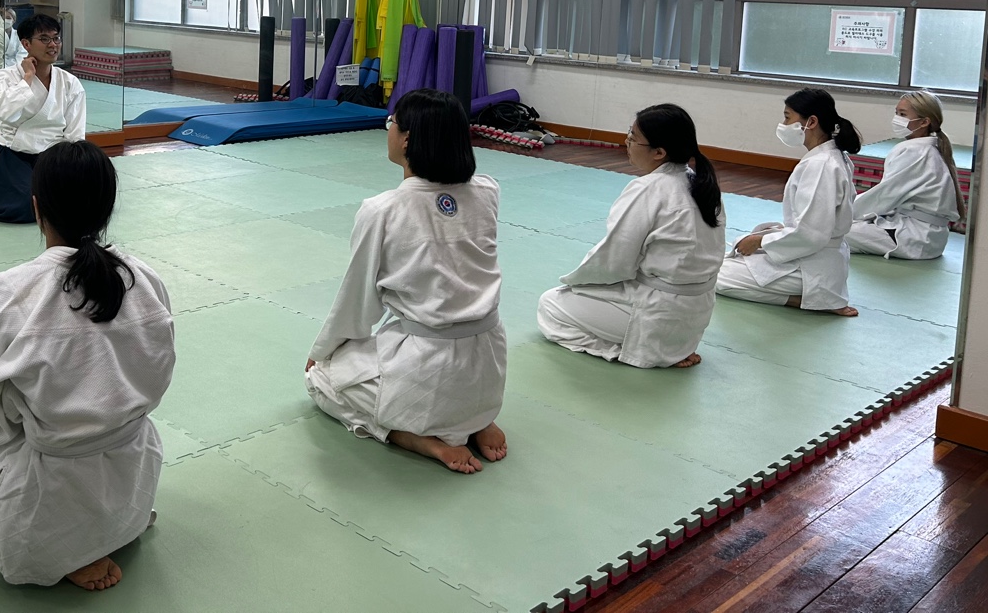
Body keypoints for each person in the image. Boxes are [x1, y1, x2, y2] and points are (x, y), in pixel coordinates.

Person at [0, 140, 174, 592]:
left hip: (53, 472)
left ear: (36, 208)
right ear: (107, 209)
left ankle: (73, 547)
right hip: (133, 458)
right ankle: (114, 526)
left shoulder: (18, 291)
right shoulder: (143, 278)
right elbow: (159, 368)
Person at [305, 89, 508, 475]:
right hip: (488, 360)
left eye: (391, 123)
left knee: (320, 380)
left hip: (429, 360)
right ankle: (477, 419)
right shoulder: (487, 192)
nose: (389, 130)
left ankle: (412, 437)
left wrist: (323, 350)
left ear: (407, 139)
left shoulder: (382, 210)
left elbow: (358, 301)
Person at [537, 103, 725, 369]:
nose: (626, 142)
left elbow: (614, 258)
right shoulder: (702, 184)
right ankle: (670, 347)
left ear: (659, 152)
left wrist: (576, 282)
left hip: (658, 311)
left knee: (550, 304)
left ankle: (632, 350)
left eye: (633, 138)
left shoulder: (648, 189)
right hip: (695, 312)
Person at [716, 87, 860, 316]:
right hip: (815, 256)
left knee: (718, 276)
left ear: (811, 122)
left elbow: (812, 234)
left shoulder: (821, 165)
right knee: (732, 256)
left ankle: (809, 299)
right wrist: (765, 237)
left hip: (812, 266)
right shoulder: (829, 156)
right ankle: (817, 296)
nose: (783, 124)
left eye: (787, 117)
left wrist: (760, 241)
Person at [0, 14, 86, 223]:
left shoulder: (70, 82)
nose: (52, 44)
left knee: (86, 199)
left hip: (55, 157)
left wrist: (73, 165)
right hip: (16, 154)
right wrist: (27, 78)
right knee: (26, 206)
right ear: (26, 44)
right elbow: (4, 110)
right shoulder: (5, 76)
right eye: (44, 39)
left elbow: (75, 132)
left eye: (56, 38)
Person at [847, 91, 963, 260]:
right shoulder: (929, 149)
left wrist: (844, 211)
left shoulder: (915, 152)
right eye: (896, 113)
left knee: (834, 231)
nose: (897, 118)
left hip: (916, 236)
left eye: (903, 114)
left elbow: (884, 196)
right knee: (839, 226)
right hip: (928, 235)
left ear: (924, 122)